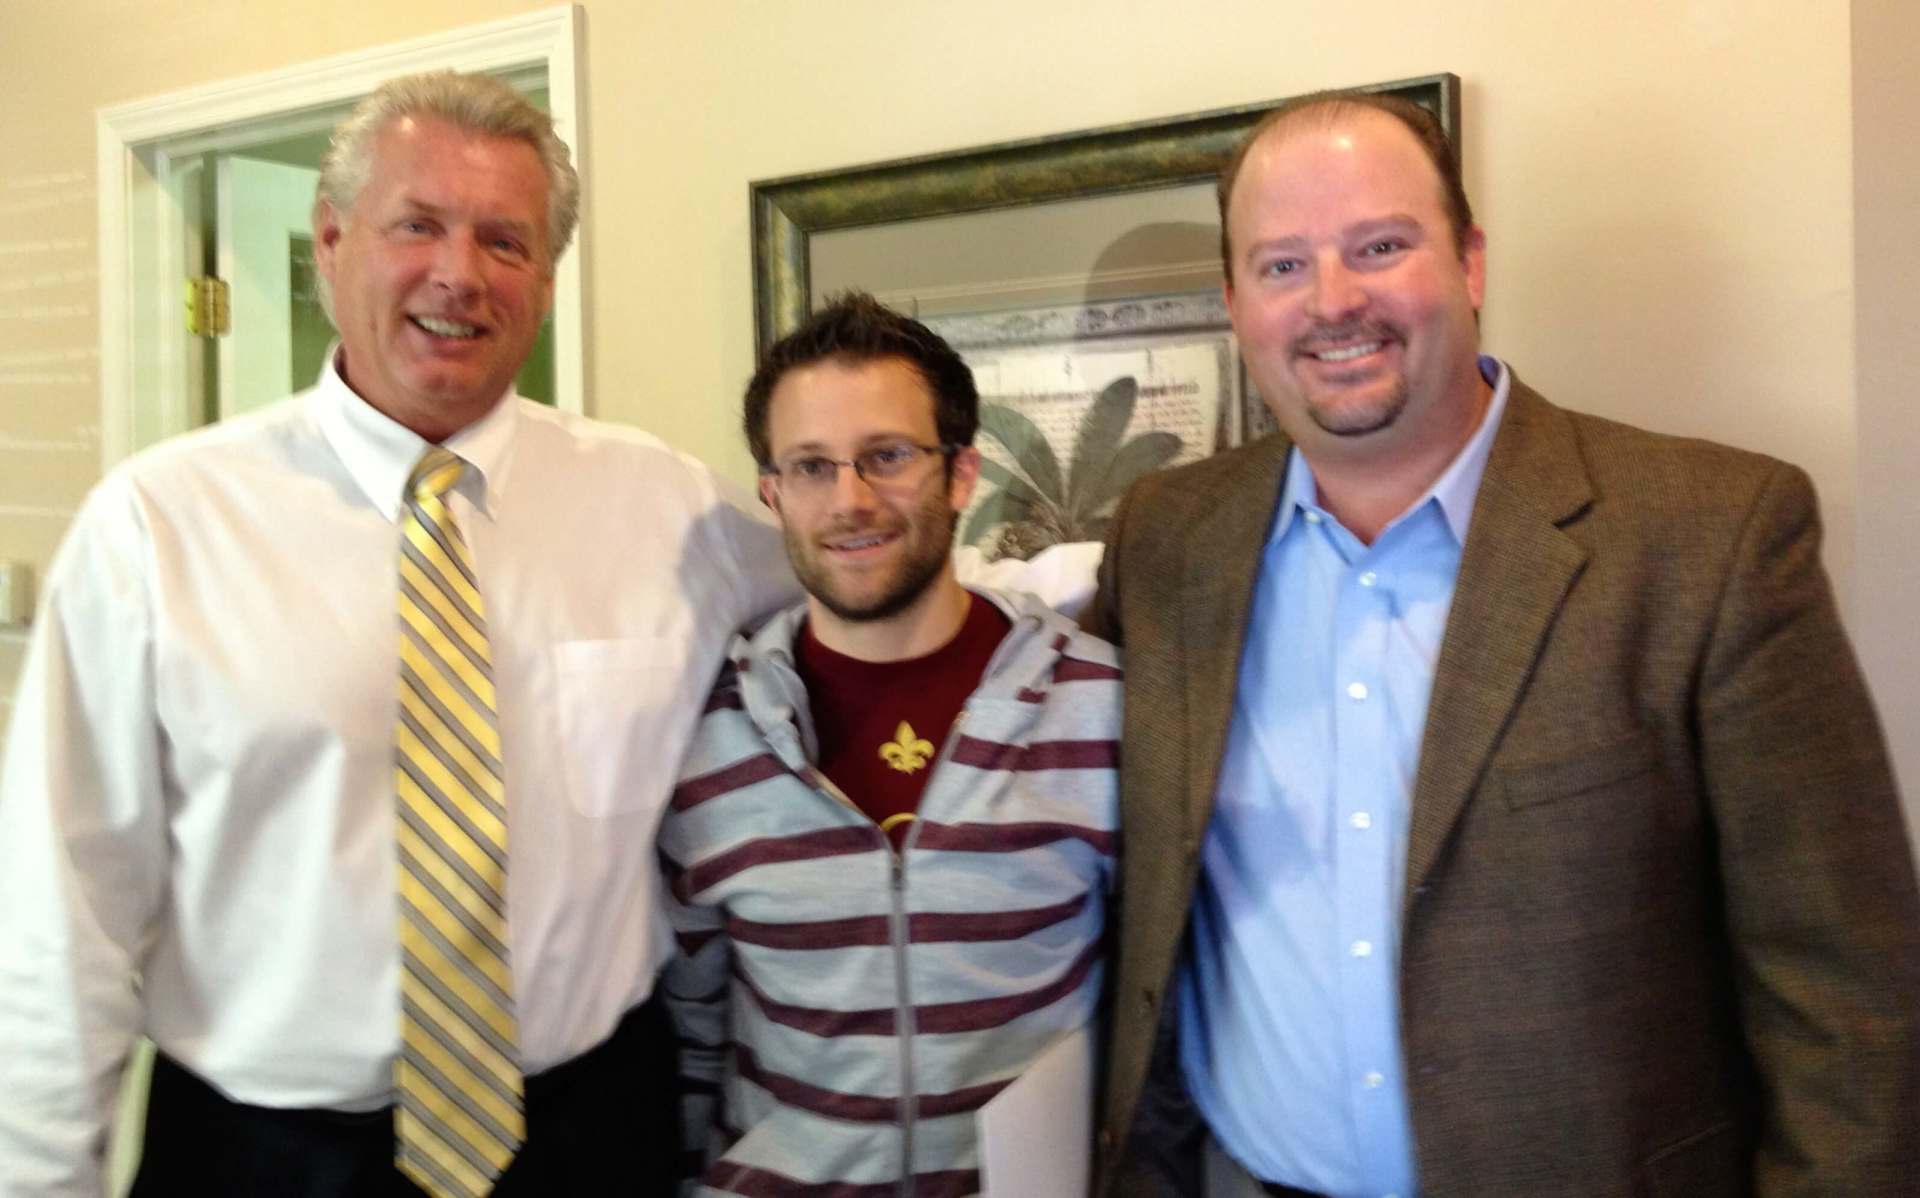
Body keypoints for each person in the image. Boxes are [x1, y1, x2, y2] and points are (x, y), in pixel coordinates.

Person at [1085, 90, 1920, 1198]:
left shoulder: (1709, 537)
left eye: (1380, 246)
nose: (1334, 302)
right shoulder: (1164, 539)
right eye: (1282, 266)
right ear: (1236, 303)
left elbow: (1848, 994)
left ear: (1469, 263)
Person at [658, 293, 1120, 1197]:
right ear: (772, 494)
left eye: (889, 457)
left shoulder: (1097, 708)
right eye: (812, 467)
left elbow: (1155, 996)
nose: (851, 500)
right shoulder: (710, 736)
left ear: (959, 474)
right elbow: (693, 1025)